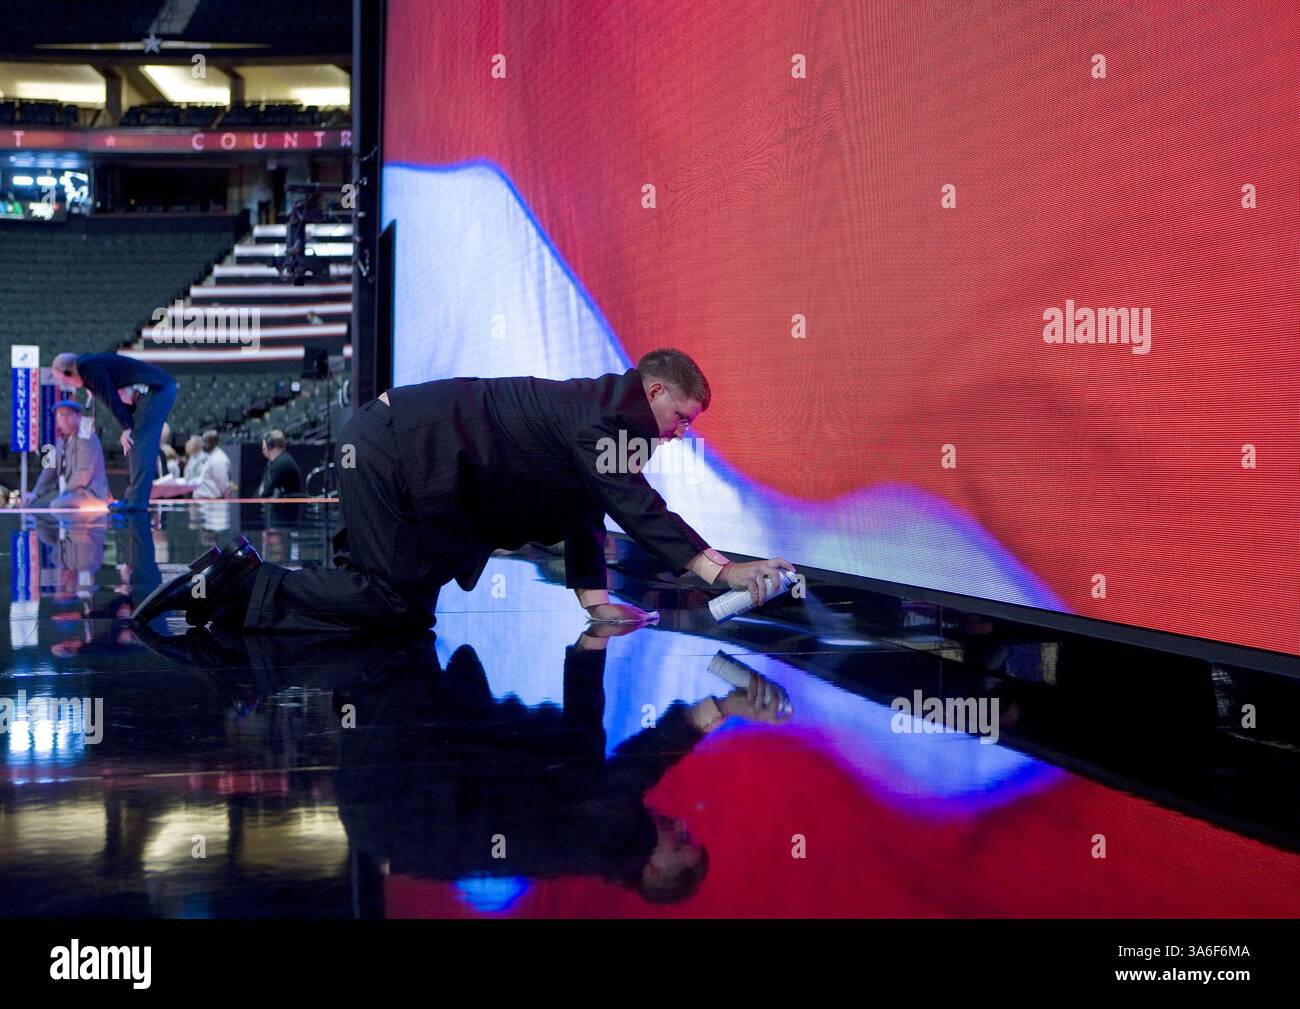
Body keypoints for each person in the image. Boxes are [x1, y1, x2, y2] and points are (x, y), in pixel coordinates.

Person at [132, 348, 794, 631]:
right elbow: (634, 503)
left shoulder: (606, 413)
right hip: (391, 450)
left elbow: (586, 502)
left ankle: (257, 592)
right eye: (681, 416)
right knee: (393, 602)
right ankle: (239, 583)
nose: (680, 432)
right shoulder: (602, 418)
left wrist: (595, 602)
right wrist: (723, 570)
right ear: (654, 391)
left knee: (399, 610)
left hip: (389, 446)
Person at [51, 352, 176, 512]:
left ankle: (136, 502)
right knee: (134, 443)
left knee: (139, 442)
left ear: (69, 372)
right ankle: (134, 499)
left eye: (63, 380)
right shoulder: (89, 367)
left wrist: (127, 427)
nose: (66, 385)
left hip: (158, 389)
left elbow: (110, 397)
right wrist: (128, 425)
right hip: (153, 390)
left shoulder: (87, 367)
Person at [23, 399, 110, 509]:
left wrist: (65, 492)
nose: (64, 418)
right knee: (33, 505)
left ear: (78, 416)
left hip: (86, 492)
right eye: (60, 415)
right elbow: (49, 470)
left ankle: (101, 505)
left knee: (58, 505)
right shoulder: (60, 441)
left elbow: (84, 472)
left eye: (68, 414)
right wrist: (35, 493)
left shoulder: (86, 436)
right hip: (66, 492)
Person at [256, 429, 303, 498]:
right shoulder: (274, 462)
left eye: (264, 446)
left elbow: (266, 492)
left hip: (287, 508)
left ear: (270, 445)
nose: (263, 448)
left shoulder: (282, 464)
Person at [190, 429, 231, 499]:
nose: (203, 445)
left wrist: (227, 499)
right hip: (205, 501)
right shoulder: (211, 456)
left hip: (212, 502)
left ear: (214, 443)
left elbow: (223, 484)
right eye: (203, 441)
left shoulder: (218, 459)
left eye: (206, 442)